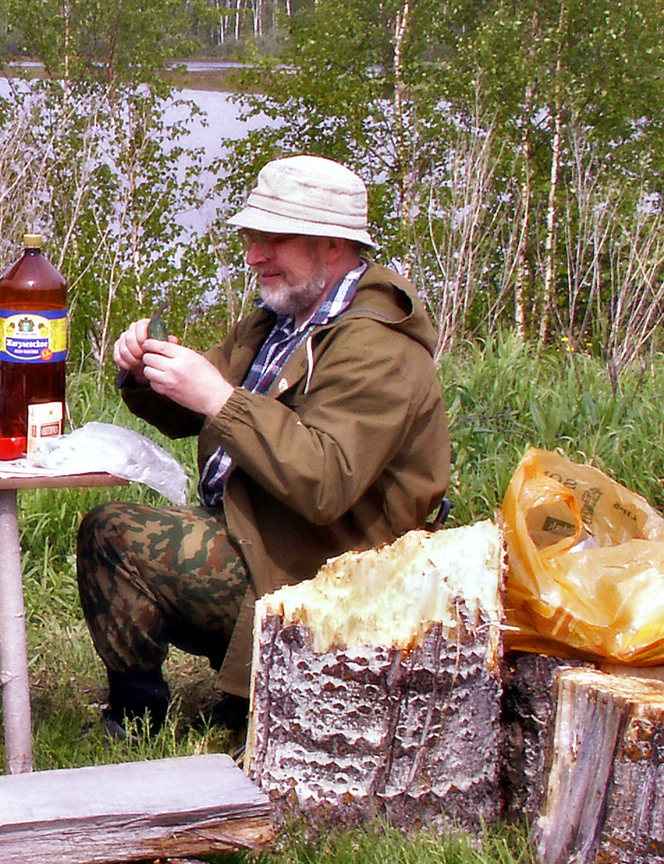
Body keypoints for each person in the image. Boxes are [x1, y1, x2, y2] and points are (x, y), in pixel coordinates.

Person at [76, 155, 450, 736]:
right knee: (110, 530)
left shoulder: (379, 347)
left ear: (331, 245)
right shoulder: (283, 319)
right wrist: (150, 372)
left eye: (273, 241)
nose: (254, 256)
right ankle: (144, 708)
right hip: (262, 534)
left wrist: (220, 399)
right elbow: (196, 410)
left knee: (116, 534)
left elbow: (326, 483)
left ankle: (217, 709)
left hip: (335, 568)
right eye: (252, 239)